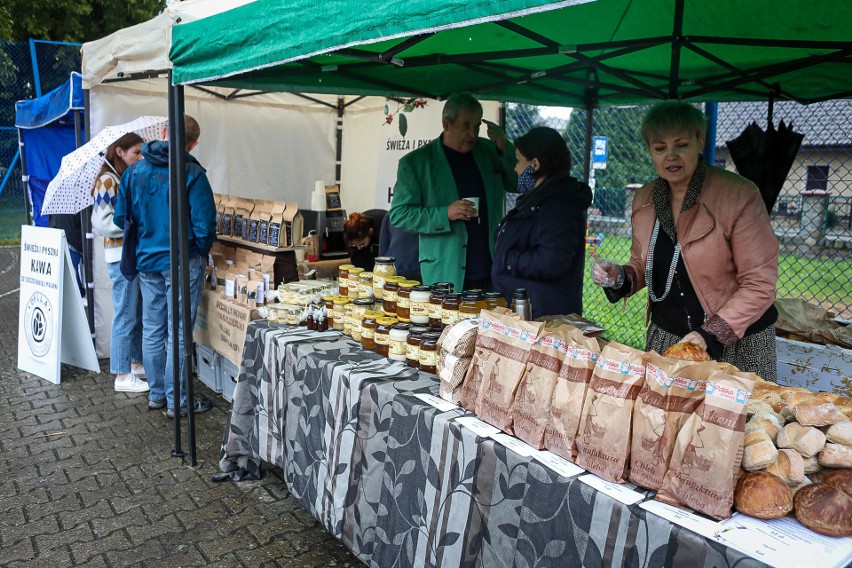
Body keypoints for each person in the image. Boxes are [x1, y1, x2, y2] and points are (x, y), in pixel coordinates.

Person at [592, 102, 779, 379]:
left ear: (699, 142)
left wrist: (710, 334)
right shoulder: (645, 198)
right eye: (660, 148)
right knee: (665, 420)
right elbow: (643, 264)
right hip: (669, 339)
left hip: (736, 341)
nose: (671, 156)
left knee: (737, 421)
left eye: (681, 144)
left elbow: (760, 283)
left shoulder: (738, 195)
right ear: (650, 151)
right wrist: (620, 276)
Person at [114, 115, 217, 417]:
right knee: (179, 331)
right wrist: (199, 249)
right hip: (183, 260)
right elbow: (205, 224)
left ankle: (158, 394)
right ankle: (178, 401)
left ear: (162, 132)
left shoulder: (134, 173)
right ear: (194, 143)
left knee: (153, 328)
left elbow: (122, 218)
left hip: (147, 260)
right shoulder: (192, 173)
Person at [388, 92, 517, 291]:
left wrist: (505, 147)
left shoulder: (489, 150)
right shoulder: (416, 163)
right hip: (445, 271)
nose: (473, 134)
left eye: (476, 126)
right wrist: (444, 214)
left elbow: (517, 184)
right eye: (466, 125)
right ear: (447, 123)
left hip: (492, 269)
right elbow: (399, 215)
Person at [492, 127, 592, 319]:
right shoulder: (537, 199)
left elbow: (550, 261)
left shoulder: (558, 206)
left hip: (543, 314)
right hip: (530, 308)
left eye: (519, 161)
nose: (516, 169)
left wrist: (508, 259)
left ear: (535, 164)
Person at [91, 132, 148, 393]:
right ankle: (122, 375)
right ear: (120, 152)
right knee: (125, 315)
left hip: (127, 256)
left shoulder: (120, 178)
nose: (140, 157)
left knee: (132, 312)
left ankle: (135, 364)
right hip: (120, 258)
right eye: (135, 152)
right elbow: (103, 222)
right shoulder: (107, 180)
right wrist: (133, 222)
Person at [377, 214, 421, 282]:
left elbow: (383, 247)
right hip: (420, 266)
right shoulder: (424, 214)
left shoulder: (391, 215)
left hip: (396, 267)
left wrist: (381, 268)